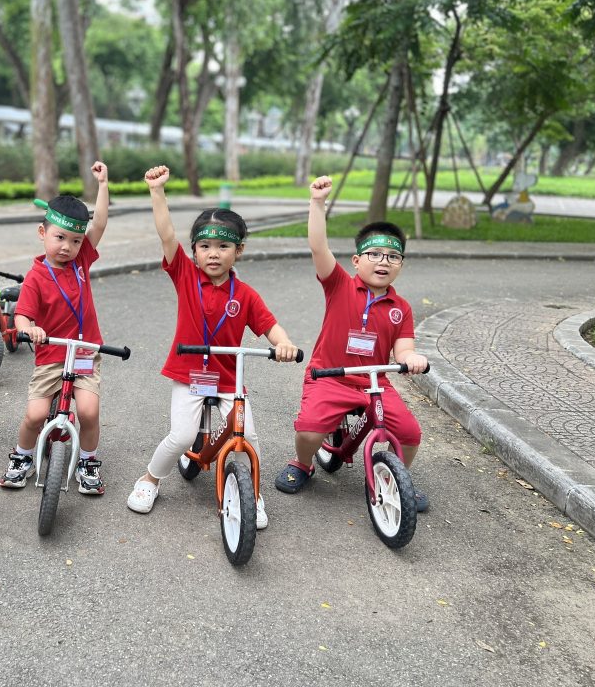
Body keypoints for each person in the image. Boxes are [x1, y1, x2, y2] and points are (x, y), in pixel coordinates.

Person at [126, 165, 300, 529]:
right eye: (205, 246)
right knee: (181, 436)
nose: (214, 254)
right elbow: (166, 234)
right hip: (189, 374)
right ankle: (150, 479)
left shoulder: (245, 295)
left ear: (239, 251)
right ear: (193, 251)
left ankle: (253, 494)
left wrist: (283, 343)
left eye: (223, 246)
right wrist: (157, 191)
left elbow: (269, 326)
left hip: (227, 380)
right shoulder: (185, 276)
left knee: (248, 435)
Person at [275, 174, 430, 509]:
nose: (384, 261)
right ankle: (303, 463)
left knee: (410, 433)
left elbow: (404, 348)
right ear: (357, 261)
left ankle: (395, 480)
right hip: (330, 375)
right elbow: (318, 246)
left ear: (401, 265)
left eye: (393, 256)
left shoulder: (401, 308)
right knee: (310, 431)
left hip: (375, 382)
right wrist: (317, 202)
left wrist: (411, 358)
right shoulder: (339, 285)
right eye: (374, 254)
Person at [0, 161, 111, 495]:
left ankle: (88, 461)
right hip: (51, 355)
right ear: (42, 233)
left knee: (88, 411)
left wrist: (103, 184)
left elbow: (100, 223)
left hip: (85, 352)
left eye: (75, 241)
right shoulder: (36, 277)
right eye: (59, 237)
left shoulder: (81, 260)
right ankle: (22, 456)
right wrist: (29, 329)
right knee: (35, 415)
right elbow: (22, 316)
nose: (67, 247)